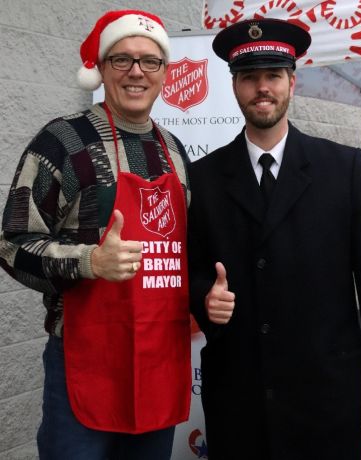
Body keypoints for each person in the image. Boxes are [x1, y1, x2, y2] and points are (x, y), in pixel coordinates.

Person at [0, 9, 191, 459]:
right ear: (101, 69)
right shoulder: (62, 141)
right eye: (122, 59)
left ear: (164, 73)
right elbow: (11, 243)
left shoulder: (175, 152)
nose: (136, 72)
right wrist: (90, 262)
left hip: (157, 362)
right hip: (84, 365)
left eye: (150, 61)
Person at [187, 18, 361, 459]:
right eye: (249, 78)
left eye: (272, 76)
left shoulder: (341, 168)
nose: (261, 88)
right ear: (234, 87)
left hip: (323, 394)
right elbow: (188, 271)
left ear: (291, 82)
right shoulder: (204, 177)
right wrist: (204, 298)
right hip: (240, 393)